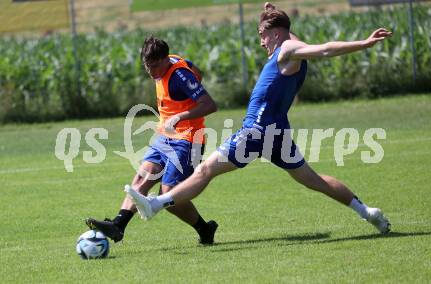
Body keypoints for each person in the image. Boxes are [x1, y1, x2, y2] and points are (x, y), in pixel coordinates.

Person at [125, 3, 392, 235]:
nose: (261, 41)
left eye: (263, 35)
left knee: (205, 170)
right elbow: (292, 34)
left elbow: (323, 50)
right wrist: (270, 13)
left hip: (257, 131)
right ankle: (366, 212)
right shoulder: (289, 46)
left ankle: (156, 204)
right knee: (313, 180)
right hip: (276, 133)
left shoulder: (287, 50)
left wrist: (364, 44)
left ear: (276, 34)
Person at [86, 36, 219, 245]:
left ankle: (205, 229)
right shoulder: (170, 62)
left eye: (155, 66)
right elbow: (196, 70)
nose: (151, 72)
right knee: (141, 179)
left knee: (169, 196)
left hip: (188, 140)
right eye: (147, 67)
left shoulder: (180, 76)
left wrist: (180, 116)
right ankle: (117, 225)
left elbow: (210, 104)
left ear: (166, 59)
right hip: (165, 137)